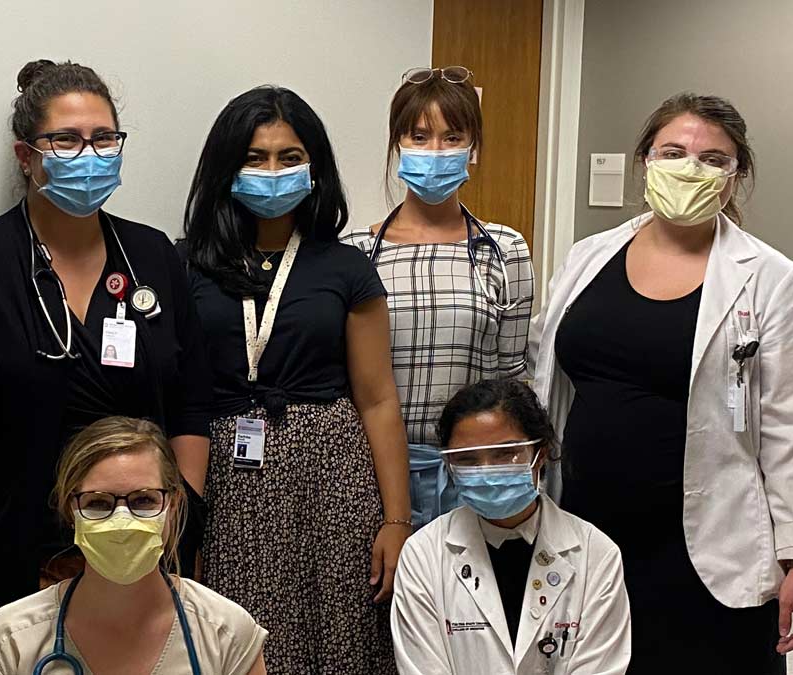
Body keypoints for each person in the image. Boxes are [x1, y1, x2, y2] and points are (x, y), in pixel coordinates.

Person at [530, 93, 793, 674]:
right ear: (645, 161)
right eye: (673, 152)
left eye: (713, 159)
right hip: (588, 525)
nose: (690, 168)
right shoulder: (587, 257)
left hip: (711, 540)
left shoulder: (771, 279)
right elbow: (545, 377)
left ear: (736, 176)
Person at [0, 60, 212, 672]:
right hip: (5, 542)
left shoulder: (152, 256)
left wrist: (180, 512)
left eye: (103, 139)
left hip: (135, 532)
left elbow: (191, 402)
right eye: (65, 140)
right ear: (26, 155)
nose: (88, 154)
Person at [183, 85, 411, 674]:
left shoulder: (346, 267)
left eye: (289, 157)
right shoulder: (183, 264)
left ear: (314, 168)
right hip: (227, 475)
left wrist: (396, 519)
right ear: (226, 168)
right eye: (255, 158)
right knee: (236, 638)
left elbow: (379, 398)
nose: (272, 171)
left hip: (334, 475)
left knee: (342, 638)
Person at [344, 66, 534, 528]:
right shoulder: (355, 253)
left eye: (453, 138)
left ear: (474, 150)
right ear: (397, 146)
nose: (436, 151)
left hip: (472, 473)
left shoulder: (504, 250)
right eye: (420, 136)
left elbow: (513, 378)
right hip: (369, 471)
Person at [0, 416, 267, 675]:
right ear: (70, 511)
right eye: (98, 503)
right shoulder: (10, 640)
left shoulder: (227, 635)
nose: (122, 520)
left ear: (173, 506)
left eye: (144, 500)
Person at [391, 379, 630, 674]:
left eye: (505, 454)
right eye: (467, 459)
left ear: (539, 454)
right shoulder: (422, 555)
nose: (487, 471)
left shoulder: (597, 554)